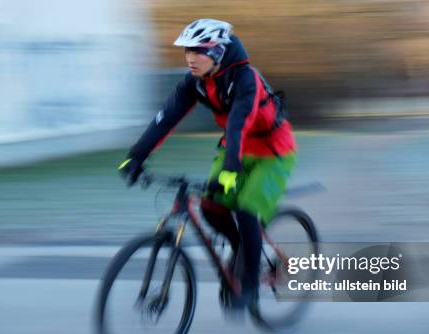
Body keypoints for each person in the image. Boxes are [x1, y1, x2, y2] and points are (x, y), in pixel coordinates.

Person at [119, 19, 297, 312]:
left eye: (199, 50)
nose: (190, 57)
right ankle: (241, 249)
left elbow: (239, 124)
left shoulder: (245, 80)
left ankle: (250, 287)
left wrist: (229, 170)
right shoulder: (195, 83)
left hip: (272, 151)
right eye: (188, 50)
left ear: (218, 51)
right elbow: (166, 117)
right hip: (234, 148)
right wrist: (136, 156)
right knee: (210, 207)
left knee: (247, 209)